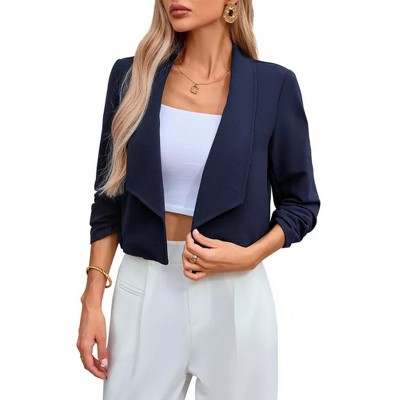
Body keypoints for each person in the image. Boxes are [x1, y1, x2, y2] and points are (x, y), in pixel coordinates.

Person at [76, 1, 321, 399]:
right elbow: (108, 198)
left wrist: (250, 256)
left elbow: (301, 204)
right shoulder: (131, 77)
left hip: (236, 294)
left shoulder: (272, 86)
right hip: (145, 288)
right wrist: (91, 301)